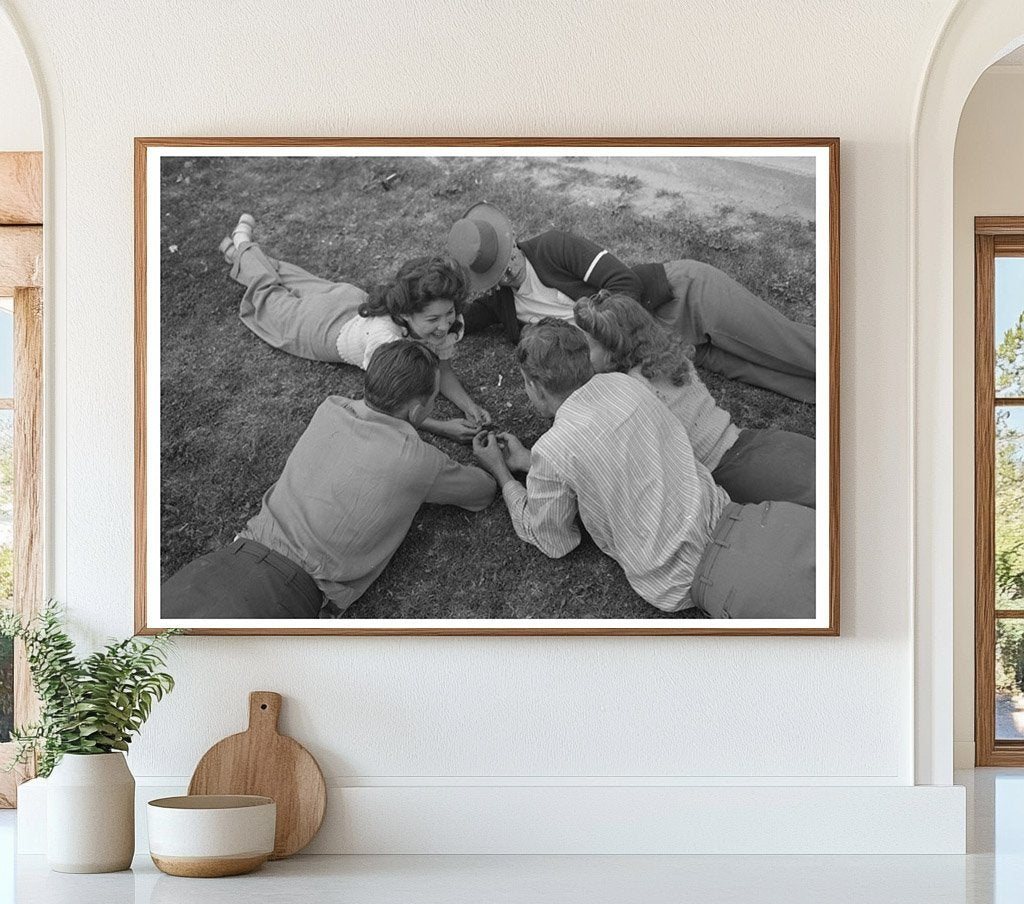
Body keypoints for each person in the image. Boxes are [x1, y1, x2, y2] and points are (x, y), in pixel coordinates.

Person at [470, 318, 815, 618]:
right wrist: (531, 461)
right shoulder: (626, 385)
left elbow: (554, 539)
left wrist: (503, 475)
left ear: (535, 386)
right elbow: (611, 453)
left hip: (693, 578)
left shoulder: (554, 449)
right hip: (757, 520)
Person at [162, 341, 497, 619]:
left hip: (221, 563)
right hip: (285, 594)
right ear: (414, 411)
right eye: (432, 400)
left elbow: (381, 416)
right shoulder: (417, 460)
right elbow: (482, 492)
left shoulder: (332, 407)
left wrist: (432, 424)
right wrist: (491, 461)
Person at [446, 202, 816, 404]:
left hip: (680, 297)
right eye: (496, 274)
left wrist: (605, 345)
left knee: (786, 346)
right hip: (661, 351)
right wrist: (438, 325)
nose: (507, 273)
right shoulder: (503, 304)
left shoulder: (553, 246)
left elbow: (623, 282)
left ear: (512, 241)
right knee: (760, 373)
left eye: (507, 261)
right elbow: (464, 319)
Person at [220, 214, 490, 441]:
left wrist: (469, 405)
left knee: (288, 276)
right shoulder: (386, 344)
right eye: (432, 320)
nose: (444, 326)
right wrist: (444, 428)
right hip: (321, 329)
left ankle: (239, 255)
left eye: (449, 313)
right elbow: (387, 409)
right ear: (406, 314)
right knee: (268, 297)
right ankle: (242, 243)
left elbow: (442, 368)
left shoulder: (446, 324)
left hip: (349, 300)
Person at [572, 290, 815, 507]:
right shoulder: (668, 357)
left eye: (588, 347)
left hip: (729, 471)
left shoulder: (631, 390)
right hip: (757, 441)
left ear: (612, 349)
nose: (582, 354)